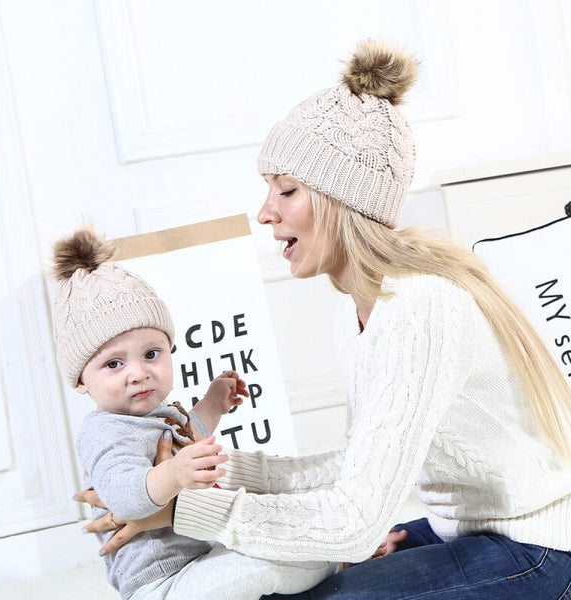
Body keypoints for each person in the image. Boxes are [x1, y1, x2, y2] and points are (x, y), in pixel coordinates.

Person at [79, 40, 571, 598]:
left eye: (286, 190)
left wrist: (180, 511)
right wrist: (211, 470)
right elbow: (353, 468)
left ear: (343, 201)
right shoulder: (358, 310)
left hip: (536, 550)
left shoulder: (418, 308)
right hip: (460, 532)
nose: (265, 212)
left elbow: (352, 523)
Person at [51, 226, 336, 600]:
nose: (138, 373)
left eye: (151, 354)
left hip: (205, 554)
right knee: (261, 567)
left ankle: (336, 559)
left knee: (295, 548)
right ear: (81, 383)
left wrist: (215, 400)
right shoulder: (105, 431)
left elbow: (193, 433)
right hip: (163, 583)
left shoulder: (162, 413)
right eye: (114, 364)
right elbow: (123, 497)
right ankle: (334, 562)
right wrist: (172, 473)